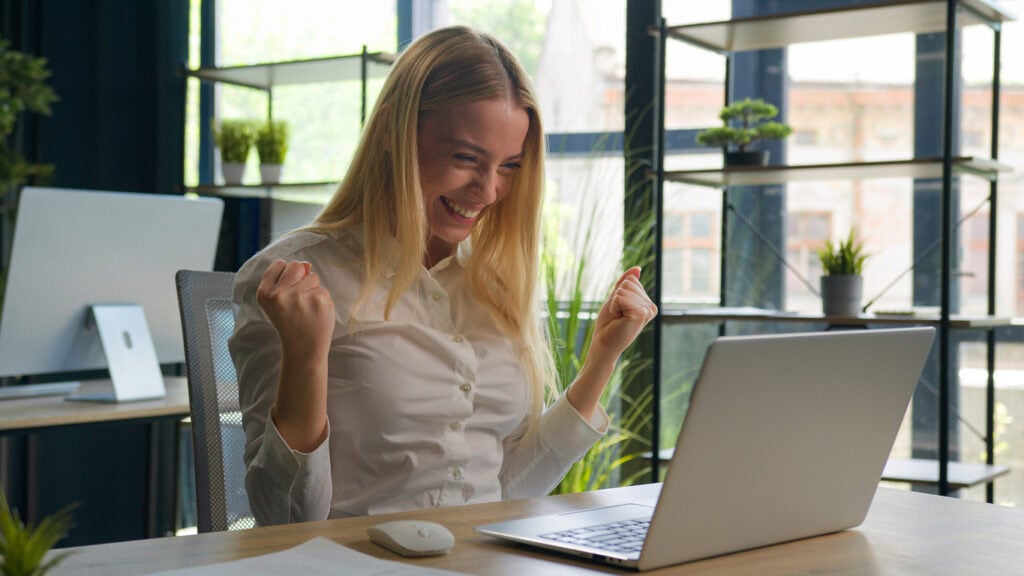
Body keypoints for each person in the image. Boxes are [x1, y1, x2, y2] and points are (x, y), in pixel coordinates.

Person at [229, 25, 657, 527]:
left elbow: (508, 489)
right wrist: (305, 358)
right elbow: (285, 521)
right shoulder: (301, 280)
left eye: (509, 167)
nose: (489, 191)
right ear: (393, 132)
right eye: (466, 158)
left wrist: (603, 356)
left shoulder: (495, 285)